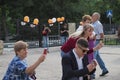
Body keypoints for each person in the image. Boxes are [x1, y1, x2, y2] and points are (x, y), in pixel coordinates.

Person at [92, 12, 109, 77]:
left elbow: (102, 34)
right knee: (97, 57)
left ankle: (92, 74)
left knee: (92, 57)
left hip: (97, 41)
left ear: (97, 17)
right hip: (94, 41)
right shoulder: (93, 23)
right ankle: (104, 69)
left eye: (93, 16)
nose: (92, 17)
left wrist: (101, 42)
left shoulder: (98, 24)